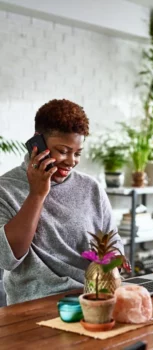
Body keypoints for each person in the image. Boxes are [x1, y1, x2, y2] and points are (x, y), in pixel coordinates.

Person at [0, 99, 124, 305]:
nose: (71, 161)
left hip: (93, 298)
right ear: (37, 143)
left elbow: (114, 242)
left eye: (77, 153)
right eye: (63, 151)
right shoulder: (5, 189)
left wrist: (109, 273)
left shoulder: (90, 188)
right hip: (34, 306)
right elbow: (6, 258)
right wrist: (37, 194)